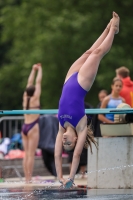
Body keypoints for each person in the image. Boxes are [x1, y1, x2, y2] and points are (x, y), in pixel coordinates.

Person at [55, 12, 120, 189]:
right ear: (76, 140)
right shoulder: (81, 125)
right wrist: (70, 177)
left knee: (88, 52)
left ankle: (107, 27)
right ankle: (113, 30)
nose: (64, 141)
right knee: (97, 53)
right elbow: (75, 156)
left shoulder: (61, 126)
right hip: (82, 84)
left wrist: (59, 176)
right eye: (69, 143)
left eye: (64, 143)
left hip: (68, 80)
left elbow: (57, 156)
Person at [21, 63, 42, 183]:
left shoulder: (25, 97)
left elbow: (29, 84)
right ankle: (29, 179)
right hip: (33, 126)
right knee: (31, 155)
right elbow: (37, 83)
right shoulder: (35, 98)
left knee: (26, 154)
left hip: (25, 126)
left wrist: (32, 70)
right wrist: (40, 69)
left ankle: (26, 178)